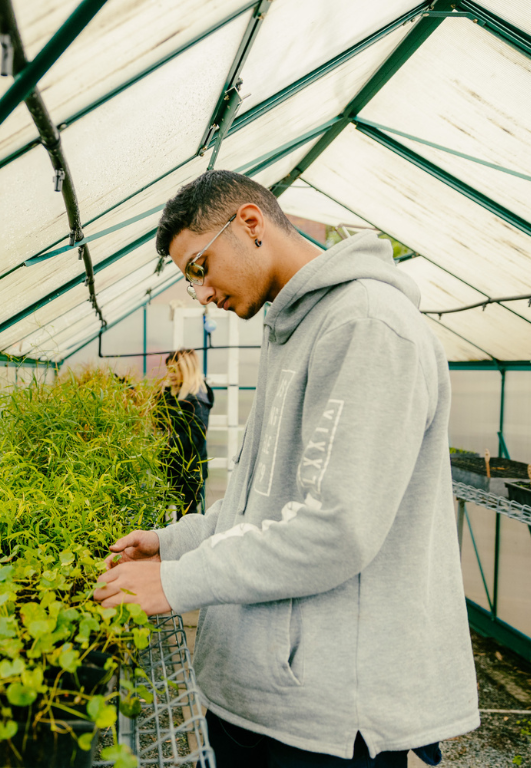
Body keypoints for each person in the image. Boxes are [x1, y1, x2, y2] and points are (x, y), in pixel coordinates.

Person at [93, 170, 478, 766]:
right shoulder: (288, 326)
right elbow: (259, 503)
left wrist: (176, 584)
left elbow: (335, 530)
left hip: (326, 721)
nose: (200, 294)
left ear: (249, 224)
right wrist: (174, 543)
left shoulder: (367, 325)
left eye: (198, 267)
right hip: (263, 700)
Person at [158, 349, 213, 518]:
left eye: (175, 370)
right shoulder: (169, 394)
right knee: (161, 517)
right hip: (169, 468)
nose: (170, 374)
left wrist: (164, 442)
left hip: (190, 472)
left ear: (187, 370)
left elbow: (195, 437)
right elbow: (156, 418)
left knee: (187, 519)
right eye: (169, 369)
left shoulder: (197, 399)